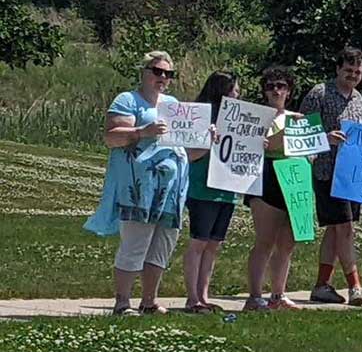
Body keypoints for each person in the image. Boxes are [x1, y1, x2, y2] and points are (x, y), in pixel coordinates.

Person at [84, 51, 190, 316]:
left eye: (168, 73)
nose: (162, 77)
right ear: (143, 72)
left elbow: (187, 148)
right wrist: (143, 132)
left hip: (170, 192)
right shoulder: (128, 100)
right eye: (157, 71)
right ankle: (122, 302)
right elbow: (111, 137)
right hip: (138, 190)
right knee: (135, 243)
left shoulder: (173, 104)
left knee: (162, 245)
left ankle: (149, 301)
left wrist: (206, 139)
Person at [300, 47, 362, 306]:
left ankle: (321, 285)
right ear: (338, 68)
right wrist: (325, 138)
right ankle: (355, 286)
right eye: (348, 70)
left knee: (335, 230)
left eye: (357, 71)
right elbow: (300, 131)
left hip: (351, 175)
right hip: (327, 171)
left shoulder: (358, 99)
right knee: (345, 228)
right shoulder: (320, 93)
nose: (352, 75)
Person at [244, 67, 303, 311]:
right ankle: (255, 296)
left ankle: (278, 295)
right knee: (265, 240)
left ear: (289, 91)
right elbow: (266, 147)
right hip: (266, 177)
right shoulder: (257, 117)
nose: (276, 90)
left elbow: (307, 148)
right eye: (270, 86)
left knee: (288, 242)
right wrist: (289, 129)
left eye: (281, 86)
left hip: (295, 178)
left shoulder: (297, 116)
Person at [182, 71, 240, 314]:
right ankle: (192, 297)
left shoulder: (238, 120)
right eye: (235, 90)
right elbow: (189, 155)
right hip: (202, 188)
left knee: (214, 244)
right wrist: (208, 140)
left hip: (227, 188)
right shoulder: (200, 117)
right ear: (222, 91)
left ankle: (204, 295)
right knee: (199, 241)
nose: (238, 94)